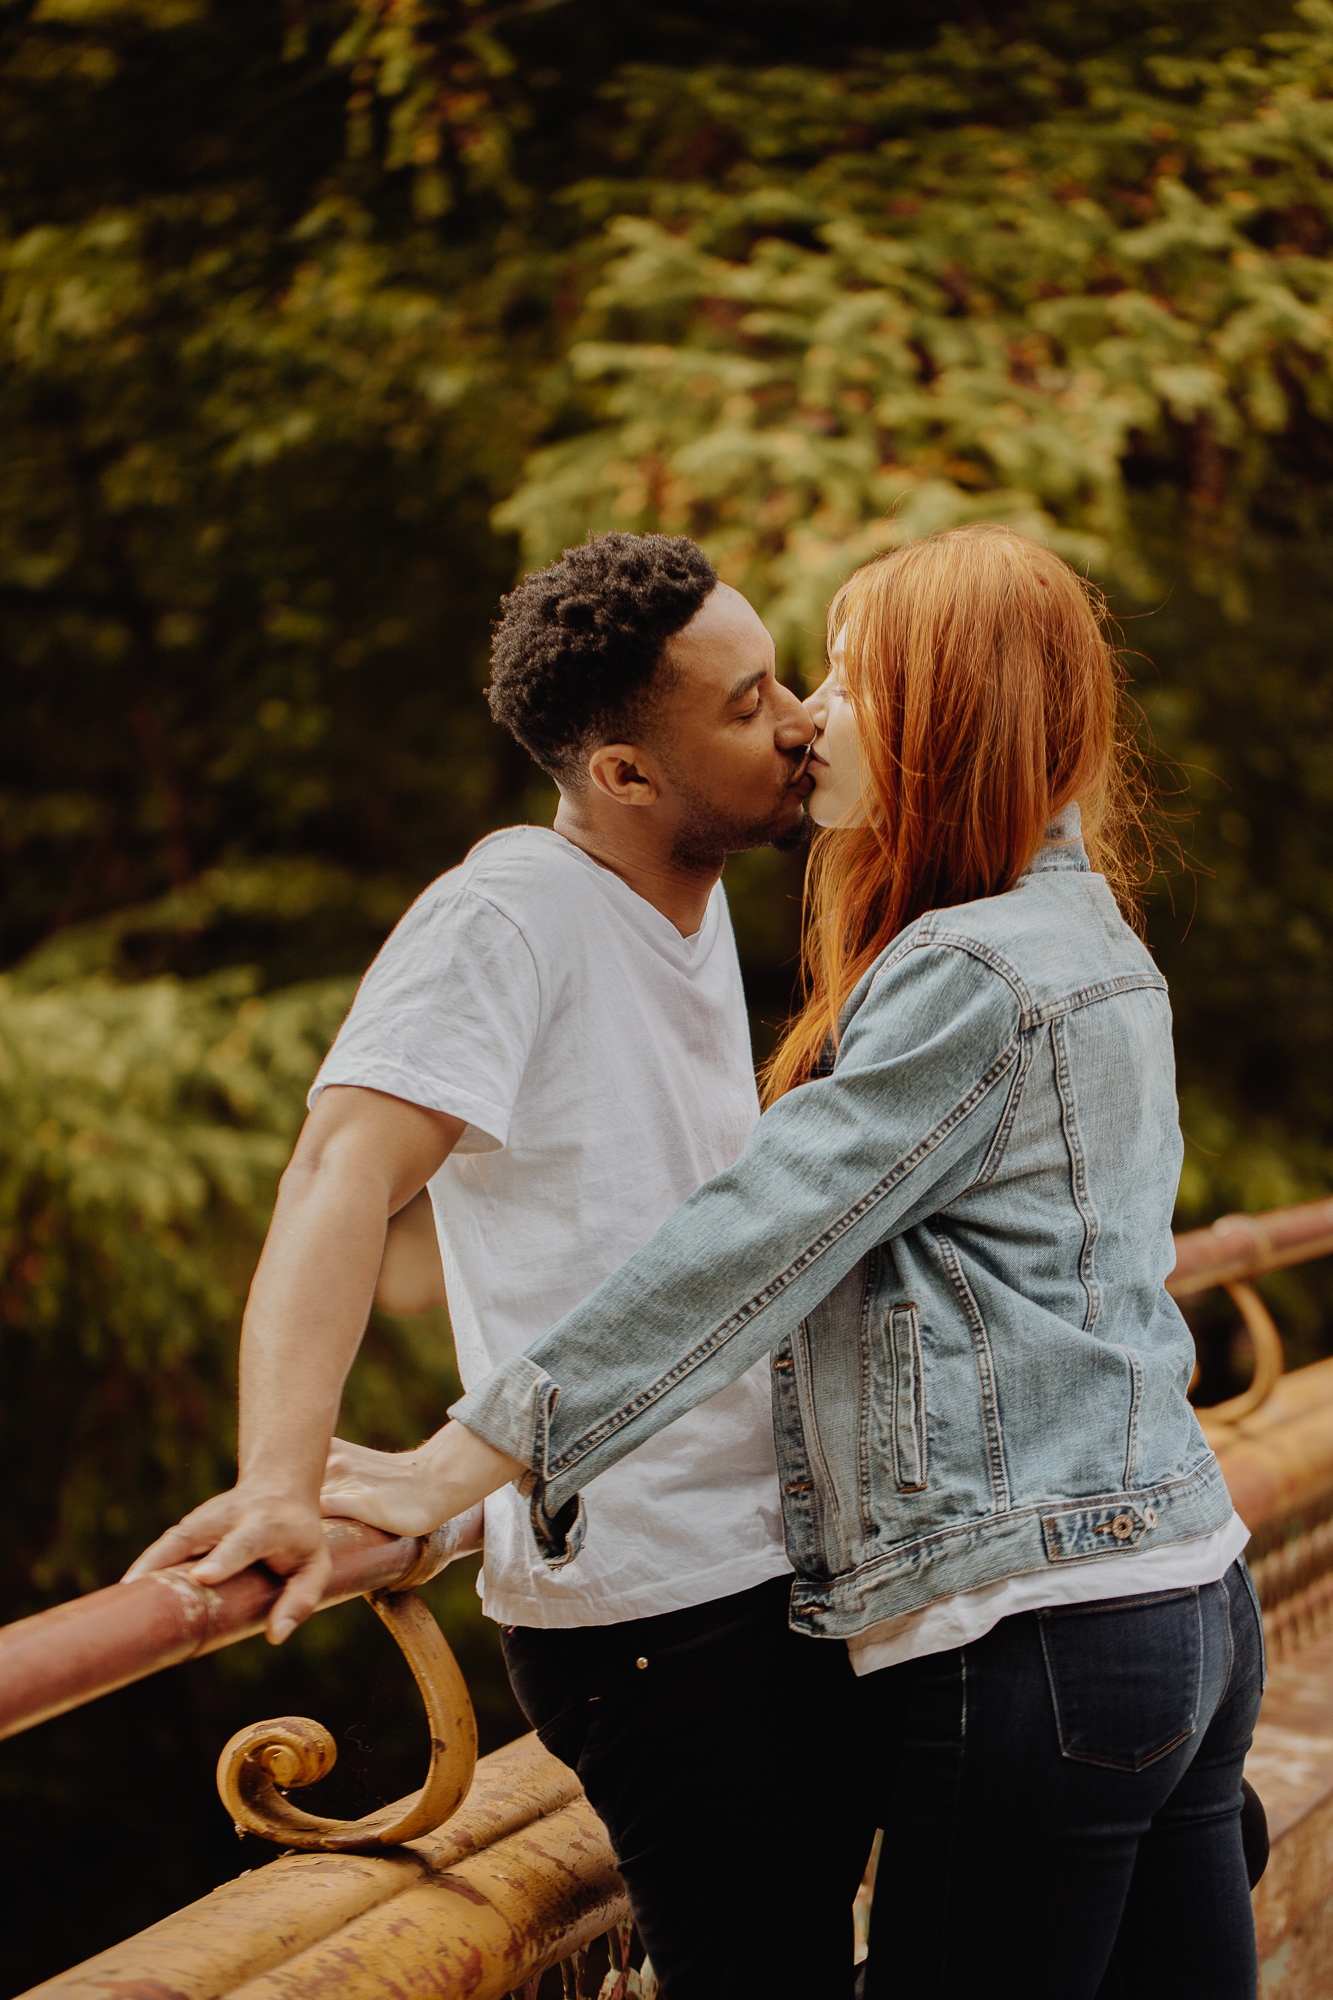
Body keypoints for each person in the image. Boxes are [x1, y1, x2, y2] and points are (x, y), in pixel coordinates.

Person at [326, 524, 1267, 2000]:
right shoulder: (1090, 937)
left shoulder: (969, 972)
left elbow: (752, 1240)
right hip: (1190, 1600)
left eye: (846, 675)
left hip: (1035, 1633)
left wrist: (462, 1463)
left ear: (944, 721)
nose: (813, 711)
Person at [126, 531, 874, 1999]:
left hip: (780, 1565)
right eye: (743, 703)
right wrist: (280, 1483)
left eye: (779, 676)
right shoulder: (509, 911)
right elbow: (343, 1169)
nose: (794, 717)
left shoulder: (690, 894)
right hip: (656, 1612)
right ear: (624, 776)